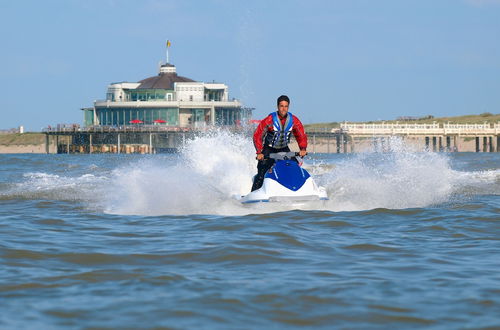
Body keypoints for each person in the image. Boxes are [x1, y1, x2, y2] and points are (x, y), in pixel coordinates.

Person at [251, 95, 308, 191]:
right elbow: (258, 136)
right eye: (281, 106)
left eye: (286, 106)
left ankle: (295, 189)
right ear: (277, 106)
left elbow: (301, 135)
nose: (283, 109)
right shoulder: (269, 120)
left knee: (294, 168)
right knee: (262, 173)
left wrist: (303, 149)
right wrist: (259, 153)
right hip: (268, 150)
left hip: (284, 149)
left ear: (288, 107)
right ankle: (253, 193)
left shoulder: (294, 121)